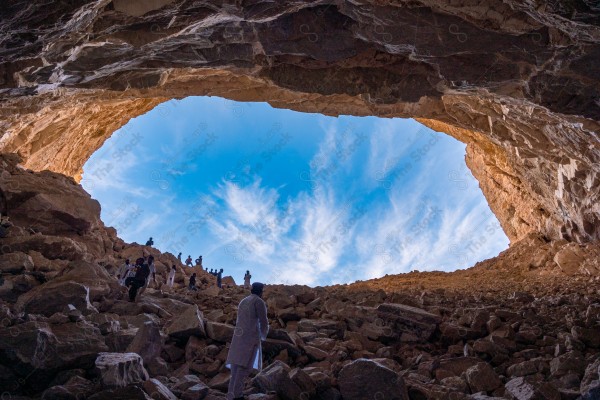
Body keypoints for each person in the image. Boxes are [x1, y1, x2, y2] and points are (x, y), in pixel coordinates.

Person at [226, 282, 268, 400]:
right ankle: (237, 395)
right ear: (261, 291)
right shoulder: (259, 302)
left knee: (236, 366)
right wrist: (263, 336)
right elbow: (263, 322)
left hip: (238, 336)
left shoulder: (243, 301)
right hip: (250, 337)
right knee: (244, 367)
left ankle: (231, 394)